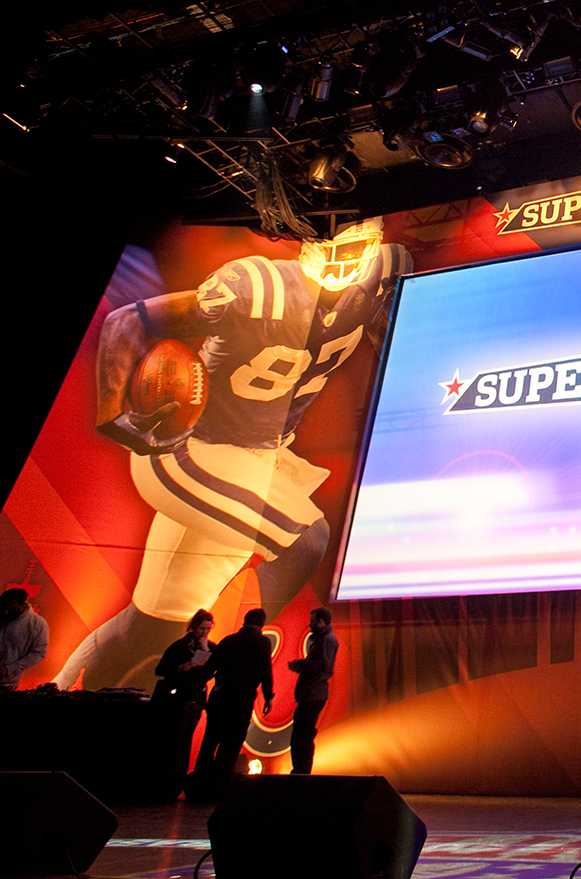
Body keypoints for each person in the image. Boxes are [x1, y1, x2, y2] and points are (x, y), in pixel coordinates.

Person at [55, 218, 411, 690]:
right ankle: (230, 665)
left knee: (154, 623)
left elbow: (387, 332)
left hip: (260, 457)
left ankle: (56, 691)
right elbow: (128, 321)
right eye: (332, 246)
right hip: (193, 447)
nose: (342, 261)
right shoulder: (258, 286)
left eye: (354, 248)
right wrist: (113, 413)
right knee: (306, 539)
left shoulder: (386, 270)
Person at [189, 607, 273, 798]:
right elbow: (265, 670)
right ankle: (219, 786)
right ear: (261, 624)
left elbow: (210, 668)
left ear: (245, 621)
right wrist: (268, 696)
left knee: (210, 740)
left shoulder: (228, 640)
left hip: (220, 696)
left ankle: (199, 785)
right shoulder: (262, 642)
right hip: (242, 699)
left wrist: (194, 681)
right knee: (231, 742)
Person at [286, 606, 338, 774]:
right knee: (301, 735)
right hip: (311, 694)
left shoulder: (326, 640)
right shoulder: (324, 640)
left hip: (312, 694)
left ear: (320, 622)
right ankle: (301, 770)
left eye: (312, 621)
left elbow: (322, 665)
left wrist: (300, 665)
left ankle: (301, 771)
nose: (310, 625)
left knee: (302, 735)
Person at [153, 609, 215, 703]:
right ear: (194, 627)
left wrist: (206, 650)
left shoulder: (211, 647)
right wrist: (180, 667)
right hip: (176, 691)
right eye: (201, 629)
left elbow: (213, 669)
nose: (204, 632)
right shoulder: (180, 646)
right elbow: (160, 670)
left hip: (197, 692)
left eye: (208, 629)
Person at [0, 587, 49, 689]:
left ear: (22, 604)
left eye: (11, 607)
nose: (7, 611)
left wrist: (9, 669)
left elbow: (38, 653)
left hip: (7, 682)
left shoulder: (37, 624)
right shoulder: (3, 617)